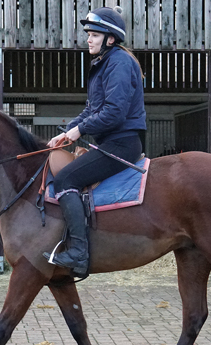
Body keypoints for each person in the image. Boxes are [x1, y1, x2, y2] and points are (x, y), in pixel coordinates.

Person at [44, 6, 147, 276]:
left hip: (122, 143)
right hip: (109, 142)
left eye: (94, 34)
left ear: (110, 39)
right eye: (88, 34)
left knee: (66, 179)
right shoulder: (103, 64)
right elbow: (92, 110)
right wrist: (67, 132)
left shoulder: (119, 63)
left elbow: (114, 112)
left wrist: (79, 132)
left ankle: (78, 252)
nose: (88, 39)